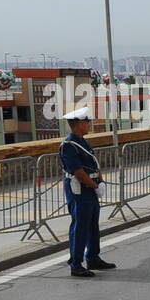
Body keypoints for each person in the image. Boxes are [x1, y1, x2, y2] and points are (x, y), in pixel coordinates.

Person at [59, 107, 115, 277]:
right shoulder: (69, 145)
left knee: (92, 224)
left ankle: (92, 257)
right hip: (79, 189)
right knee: (80, 225)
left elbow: (93, 164)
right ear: (77, 124)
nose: (89, 124)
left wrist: (100, 181)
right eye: (86, 121)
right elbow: (78, 171)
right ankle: (76, 263)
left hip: (90, 187)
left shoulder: (83, 141)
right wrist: (95, 185)